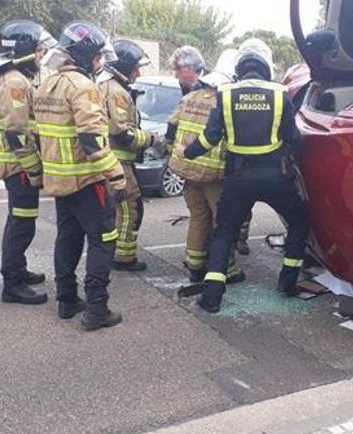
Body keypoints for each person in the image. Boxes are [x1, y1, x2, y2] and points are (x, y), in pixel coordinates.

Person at [178, 39, 309, 313]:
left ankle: (212, 297)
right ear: (266, 67)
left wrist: (186, 152)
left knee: (224, 233)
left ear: (240, 67)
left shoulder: (225, 95)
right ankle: (287, 284)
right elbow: (293, 138)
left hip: (238, 179)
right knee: (299, 222)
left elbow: (210, 137)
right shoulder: (280, 93)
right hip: (276, 177)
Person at [34, 22, 126, 330]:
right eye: (98, 56)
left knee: (68, 239)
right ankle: (97, 309)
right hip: (87, 181)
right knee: (103, 241)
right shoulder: (83, 87)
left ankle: (67, 300)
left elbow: (38, 135)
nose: (100, 62)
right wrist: (117, 177)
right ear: (87, 55)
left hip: (60, 182)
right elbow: (92, 141)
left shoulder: (46, 83)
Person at [0, 20, 57, 305]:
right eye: (40, 50)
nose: (42, 56)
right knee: (21, 224)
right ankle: (12, 284)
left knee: (21, 222)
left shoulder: (15, 78)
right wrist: (34, 169)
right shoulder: (15, 82)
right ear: (26, 50)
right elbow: (16, 133)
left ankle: (18, 269)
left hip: (18, 168)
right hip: (19, 170)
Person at [166, 49, 244, 284]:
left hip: (187, 171)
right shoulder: (225, 101)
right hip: (214, 176)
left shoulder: (190, 97)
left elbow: (171, 129)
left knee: (198, 218)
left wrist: (174, 151)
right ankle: (227, 269)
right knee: (223, 221)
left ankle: (195, 266)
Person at [98, 40, 160, 272]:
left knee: (113, 211)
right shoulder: (116, 92)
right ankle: (124, 258)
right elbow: (121, 132)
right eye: (135, 68)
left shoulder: (106, 86)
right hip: (119, 163)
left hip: (111, 161)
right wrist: (150, 139)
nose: (138, 72)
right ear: (124, 68)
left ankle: (113, 252)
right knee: (130, 208)